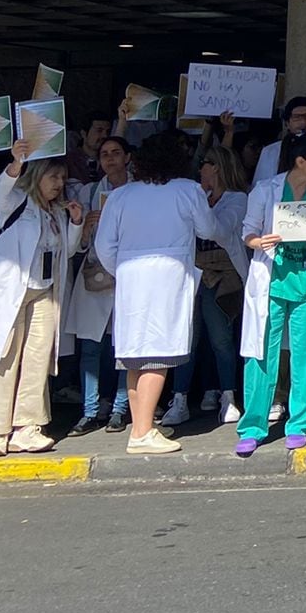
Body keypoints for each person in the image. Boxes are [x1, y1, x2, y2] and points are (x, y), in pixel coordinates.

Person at [0, 137, 82, 456]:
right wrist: (16, 164)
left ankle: (28, 427)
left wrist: (76, 223)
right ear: (38, 177)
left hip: (45, 290)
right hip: (11, 290)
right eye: (53, 177)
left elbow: (70, 250)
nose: (59, 184)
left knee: (38, 358)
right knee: (3, 356)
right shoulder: (17, 200)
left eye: (62, 178)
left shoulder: (58, 212)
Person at [90, 135, 223, 454]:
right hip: (169, 274)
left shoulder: (120, 195)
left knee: (135, 354)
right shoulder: (187, 190)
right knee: (158, 352)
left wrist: (120, 269)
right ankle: (142, 431)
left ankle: (140, 426)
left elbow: (103, 246)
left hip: (130, 275)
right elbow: (208, 230)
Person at [236, 132, 306, 455]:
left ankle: (299, 424)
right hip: (271, 283)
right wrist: (258, 242)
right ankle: (253, 426)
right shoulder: (266, 191)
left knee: (305, 355)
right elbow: (247, 231)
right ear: (301, 161)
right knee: (261, 355)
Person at [66, 134, 132, 434]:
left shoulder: (139, 190)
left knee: (124, 347)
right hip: (96, 274)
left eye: (116, 152)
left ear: (128, 157)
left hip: (129, 274)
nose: (110, 158)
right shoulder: (91, 191)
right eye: (105, 153)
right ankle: (90, 410)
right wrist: (85, 226)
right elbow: (78, 247)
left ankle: (119, 409)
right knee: (91, 346)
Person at [189, 143, 250, 423]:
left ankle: (229, 396)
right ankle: (183, 396)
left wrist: (201, 205)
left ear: (215, 167)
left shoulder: (237, 199)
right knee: (189, 337)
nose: (199, 168)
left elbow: (220, 232)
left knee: (221, 338)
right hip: (194, 272)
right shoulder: (196, 196)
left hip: (224, 275)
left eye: (204, 163)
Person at [251, 97, 306, 184]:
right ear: (287, 123)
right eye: (296, 117)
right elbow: (260, 184)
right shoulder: (270, 151)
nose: (303, 122)